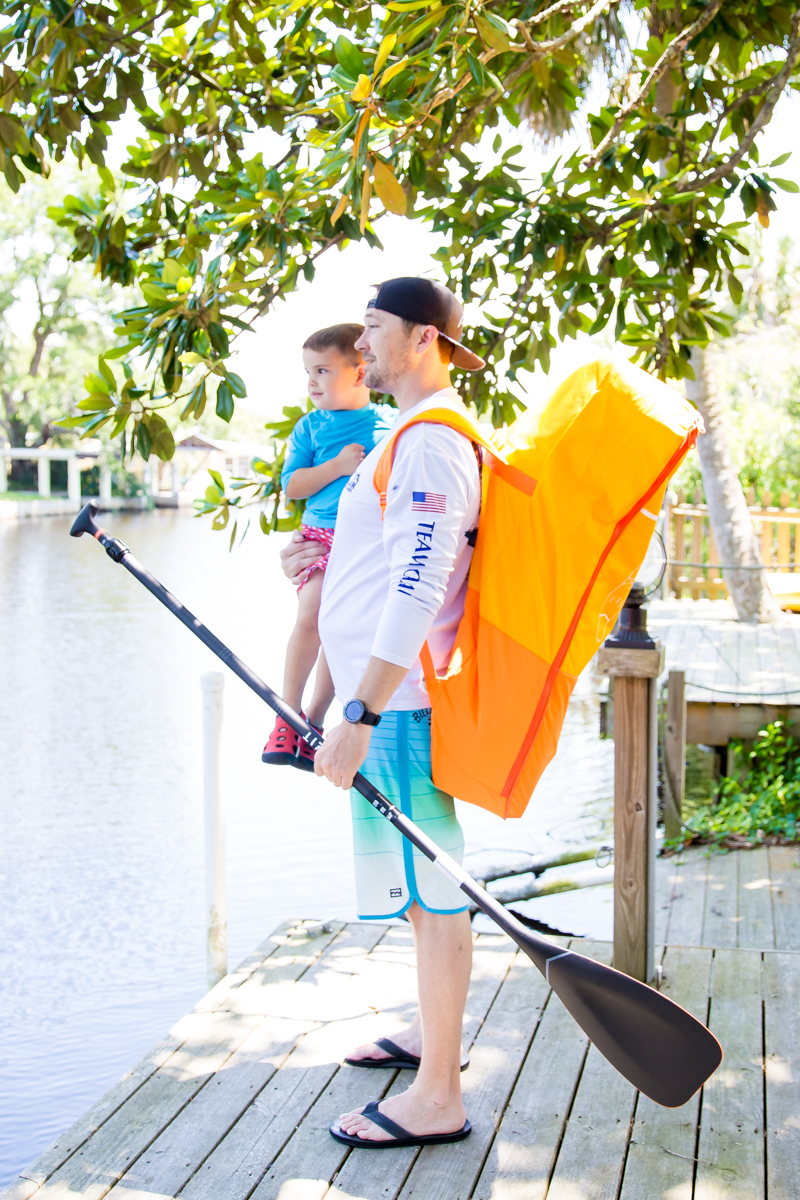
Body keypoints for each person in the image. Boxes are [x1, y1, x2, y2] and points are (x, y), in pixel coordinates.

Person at [280, 277, 487, 1149]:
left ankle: (439, 1096)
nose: (360, 344)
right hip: (384, 700)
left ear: (424, 338)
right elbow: (377, 561)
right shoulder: (403, 435)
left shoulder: (432, 441)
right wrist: (313, 564)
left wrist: (358, 710)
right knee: (416, 889)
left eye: (373, 327)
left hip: (400, 704)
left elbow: (420, 582)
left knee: (437, 895)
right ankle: (429, 1038)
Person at [262, 323, 395, 770]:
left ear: (359, 372)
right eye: (308, 372)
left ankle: (314, 720)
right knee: (313, 612)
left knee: (340, 628)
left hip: (365, 545)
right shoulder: (310, 428)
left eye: (322, 370)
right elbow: (293, 486)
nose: (312, 382)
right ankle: (288, 714)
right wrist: (337, 466)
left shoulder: (389, 424)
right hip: (321, 537)